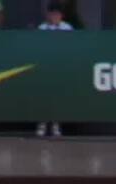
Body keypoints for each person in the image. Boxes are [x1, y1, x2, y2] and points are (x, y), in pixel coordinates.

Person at [36, 1, 73, 138]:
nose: (55, 16)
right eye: (52, 13)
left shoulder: (67, 28)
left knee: (58, 98)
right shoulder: (42, 28)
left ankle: (56, 125)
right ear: (48, 14)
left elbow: (71, 48)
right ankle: (42, 125)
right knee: (43, 97)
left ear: (61, 15)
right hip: (45, 69)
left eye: (57, 14)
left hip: (61, 69)